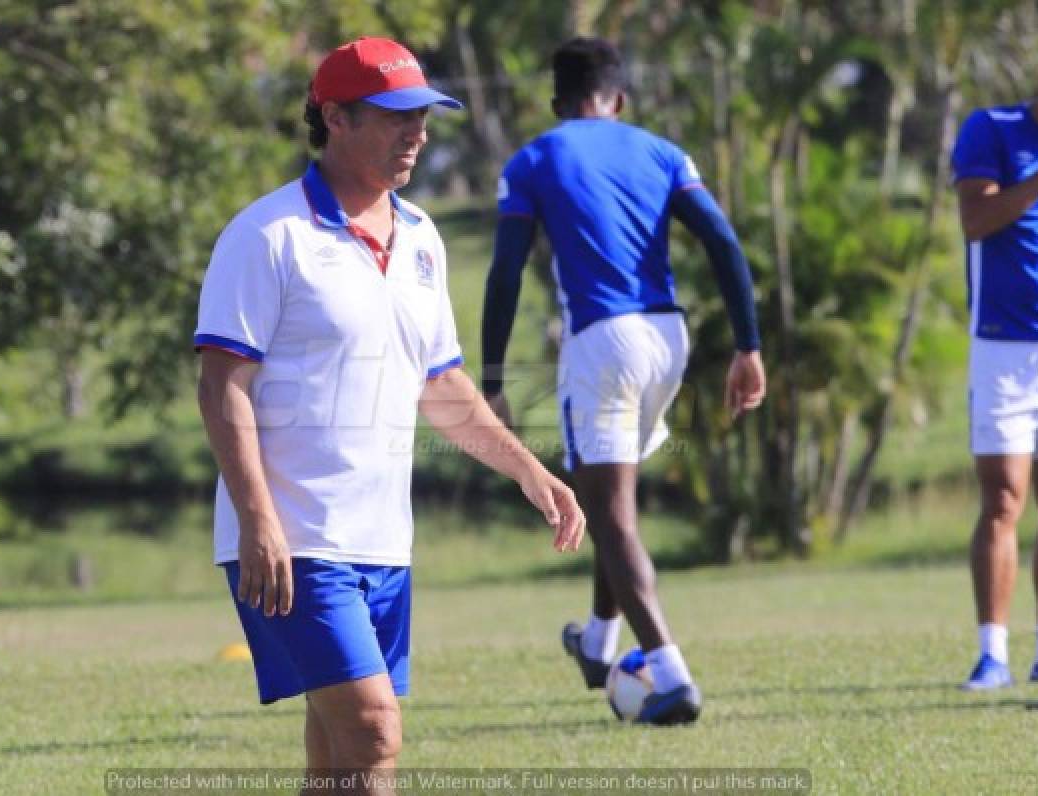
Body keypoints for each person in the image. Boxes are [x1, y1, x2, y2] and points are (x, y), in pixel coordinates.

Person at [194, 37, 585, 787]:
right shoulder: (268, 235)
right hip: (296, 538)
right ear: (335, 118)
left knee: (336, 748)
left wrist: (529, 470)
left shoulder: (423, 241)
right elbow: (221, 388)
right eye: (396, 116)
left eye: (424, 117)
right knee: (374, 730)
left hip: (383, 540)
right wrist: (259, 520)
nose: (419, 133)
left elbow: (440, 384)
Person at [481, 37, 765, 725]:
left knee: (611, 519)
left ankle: (671, 674)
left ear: (557, 104)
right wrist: (748, 346)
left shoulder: (535, 158)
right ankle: (598, 640)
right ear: (621, 99)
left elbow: (507, 270)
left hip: (601, 344)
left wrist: (492, 377)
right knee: (615, 506)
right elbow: (723, 242)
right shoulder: (662, 152)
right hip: (669, 339)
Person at [952, 44, 1038, 690]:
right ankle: (993, 653)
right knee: (1004, 499)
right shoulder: (990, 129)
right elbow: (976, 219)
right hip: (1002, 345)